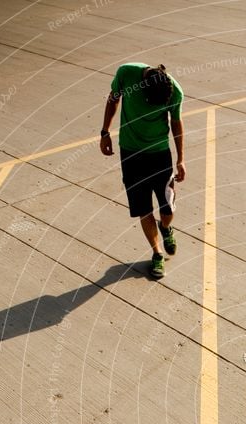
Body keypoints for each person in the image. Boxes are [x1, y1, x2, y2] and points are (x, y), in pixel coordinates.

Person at [99, 62, 186, 279]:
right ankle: (156, 253)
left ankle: (166, 228)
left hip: (160, 154)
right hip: (130, 153)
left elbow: (176, 123)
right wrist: (105, 132)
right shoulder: (126, 74)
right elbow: (113, 98)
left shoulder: (174, 92)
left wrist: (181, 159)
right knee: (143, 207)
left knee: (167, 208)